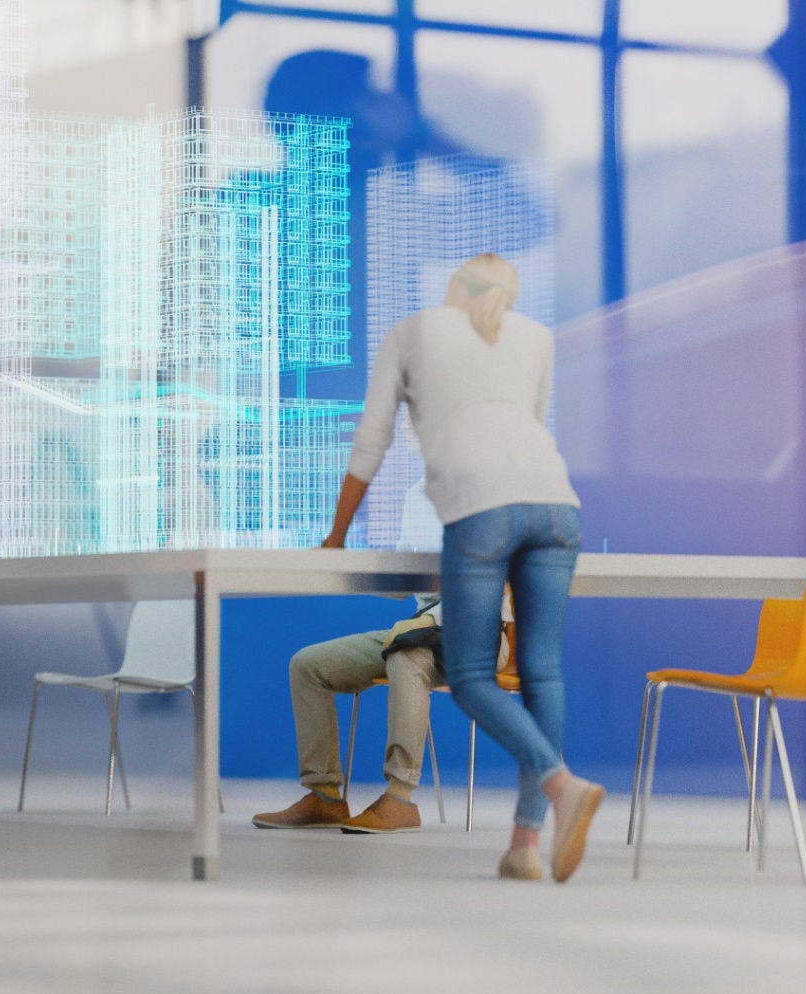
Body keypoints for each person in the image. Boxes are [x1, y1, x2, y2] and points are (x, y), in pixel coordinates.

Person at [321, 254, 604, 883]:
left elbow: (371, 440)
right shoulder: (536, 337)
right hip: (559, 508)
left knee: (473, 676)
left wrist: (337, 534)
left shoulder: (413, 331)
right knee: (542, 674)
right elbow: (528, 427)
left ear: (455, 288)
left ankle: (560, 784)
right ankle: (526, 845)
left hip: (481, 510)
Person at [250, 598, 448, 833]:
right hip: (421, 631)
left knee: (407, 656)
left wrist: (428, 620)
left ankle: (400, 796)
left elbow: (494, 590)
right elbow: (402, 579)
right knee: (308, 665)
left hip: (477, 634)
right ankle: (325, 796)